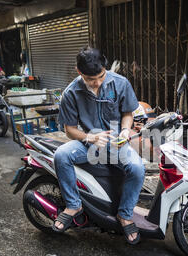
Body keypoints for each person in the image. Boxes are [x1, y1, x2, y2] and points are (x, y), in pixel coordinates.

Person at [53, 46, 145, 245]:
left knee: (137, 168)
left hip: (116, 145)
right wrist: (90, 138)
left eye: (101, 76)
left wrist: (125, 130)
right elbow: (69, 130)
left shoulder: (121, 83)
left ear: (105, 67)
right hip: (89, 144)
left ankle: (125, 214)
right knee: (61, 155)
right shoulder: (70, 93)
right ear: (79, 72)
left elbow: (128, 113)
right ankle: (73, 205)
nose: (97, 83)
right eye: (90, 79)